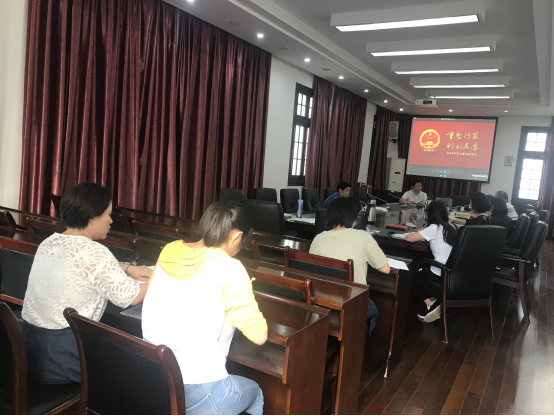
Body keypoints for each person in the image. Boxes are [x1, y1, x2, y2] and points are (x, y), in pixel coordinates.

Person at [142, 201, 267, 416]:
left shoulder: (170, 250)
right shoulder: (230, 268)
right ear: (236, 237)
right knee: (256, 393)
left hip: (154, 378)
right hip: (200, 389)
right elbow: (259, 336)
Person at [21, 182, 151, 384]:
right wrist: (160, 277)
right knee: (141, 370)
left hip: (27, 348)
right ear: (92, 217)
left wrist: (127, 268)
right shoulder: (95, 251)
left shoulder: (49, 242)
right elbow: (131, 297)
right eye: (108, 214)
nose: (111, 221)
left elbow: (79, 264)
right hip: (63, 356)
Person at [309, 198, 390, 334]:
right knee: (374, 311)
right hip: (352, 303)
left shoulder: (318, 238)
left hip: (322, 300)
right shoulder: (363, 236)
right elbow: (385, 269)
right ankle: (356, 341)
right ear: (352, 218)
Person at [404, 201, 458, 323]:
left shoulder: (434, 228)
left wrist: (419, 233)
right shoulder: (452, 227)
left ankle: (430, 305)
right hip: (453, 273)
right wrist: (423, 232)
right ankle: (436, 301)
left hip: (440, 272)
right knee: (425, 267)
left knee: (414, 273)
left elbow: (408, 238)